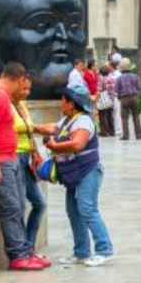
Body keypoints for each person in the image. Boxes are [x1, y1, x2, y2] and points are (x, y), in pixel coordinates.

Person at [0, 63, 48, 270]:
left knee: (18, 206)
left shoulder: (2, 96)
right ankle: (18, 256)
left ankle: (25, 251)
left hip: (11, 158)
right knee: (10, 208)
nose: (24, 91)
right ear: (17, 79)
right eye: (23, 86)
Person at [39, 87, 113, 267]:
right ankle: (81, 252)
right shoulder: (67, 120)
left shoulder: (84, 121)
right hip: (72, 173)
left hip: (88, 171)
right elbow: (52, 128)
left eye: (63, 100)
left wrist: (54, 147)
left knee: (87, 209)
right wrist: (29, 127)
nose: (60, 104)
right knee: (73, 212)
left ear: (71, 104)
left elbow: (78, 144)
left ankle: (104, 250)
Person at [12, 72, 47, 252]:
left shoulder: (22, 105)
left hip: (27, 157)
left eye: (29, 89)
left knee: (40, 204)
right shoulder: (5, 104)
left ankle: (29, 246)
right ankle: (23, 250)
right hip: (14, 157)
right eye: (24, 88)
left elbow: (28, 131)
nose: (27, 92)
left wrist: (35, 151)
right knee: (19, 205)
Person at [115, 58, 141, 140]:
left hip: (124, 99)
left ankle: (125, 135)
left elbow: (116, 90)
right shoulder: (135, 77)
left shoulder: (119, 78)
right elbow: (139, 88)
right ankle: (139, 134)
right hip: (134, 98)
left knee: (124, 118)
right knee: (136, 116)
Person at [96, 61, 117, 138]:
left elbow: (99, 89)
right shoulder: (112, 78)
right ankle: (112, 131)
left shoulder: (101, 79)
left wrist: (96, 98)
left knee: (102, 115)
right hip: (111, 99)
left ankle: (104, 131)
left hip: (103, 100)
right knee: (110, 115)